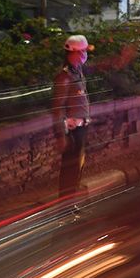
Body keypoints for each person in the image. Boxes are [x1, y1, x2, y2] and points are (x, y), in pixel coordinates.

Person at [52, 35, 92, 197]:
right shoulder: (64, 77)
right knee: (70, 169)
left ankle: (71, 200)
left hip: (81, 127)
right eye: (82, 51)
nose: (85, 55)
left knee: (77, 166)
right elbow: (57, 108)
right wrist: (61, 135)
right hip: (71, 131)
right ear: (73, 52)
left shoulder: (78, 71)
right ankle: (66, 205)